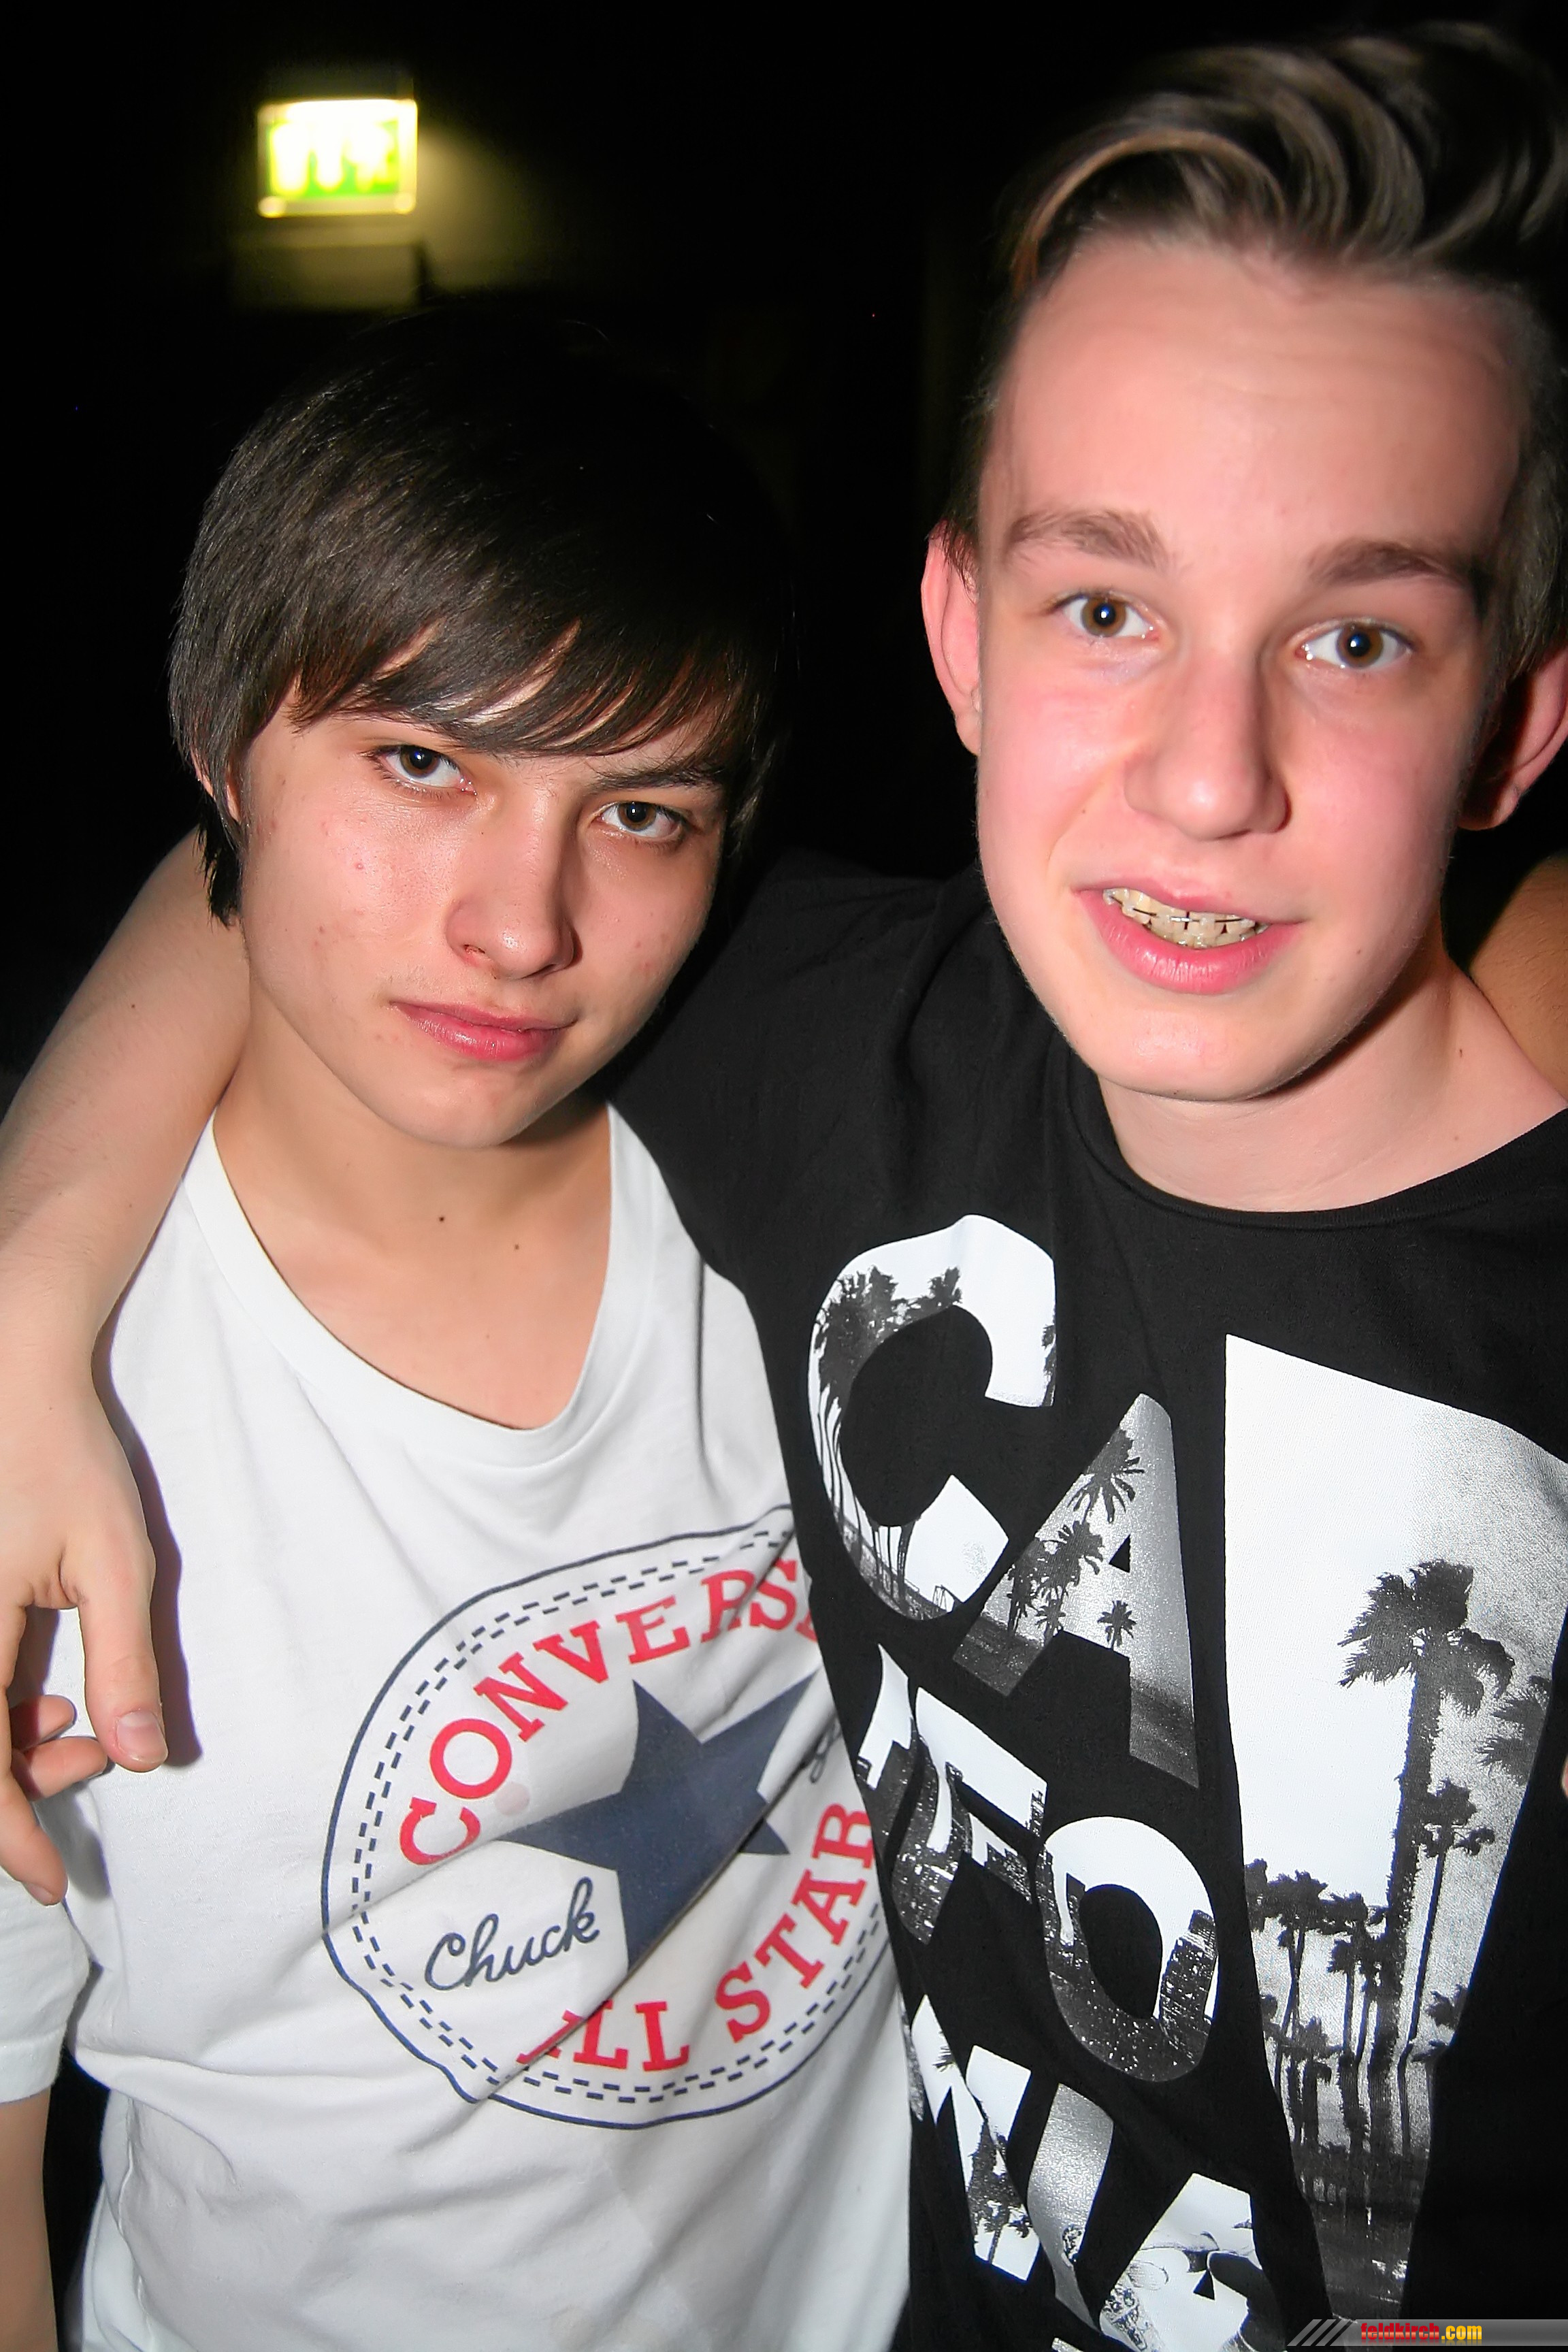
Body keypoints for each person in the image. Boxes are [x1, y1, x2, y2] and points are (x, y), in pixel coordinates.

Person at [4, 21, 1567, 2343]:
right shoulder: (824, 1055)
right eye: (1108, 606)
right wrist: (31, 1291)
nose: (1207, 776)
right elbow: (307, 853)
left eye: (1355, 639)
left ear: (1519, 716)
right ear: (962, 634)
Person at [0, 310, 910, 2352]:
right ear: (219, 745)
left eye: (642, 812)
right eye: (425, 765)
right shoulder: (48, 1439)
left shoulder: (837, 1223)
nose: (522, 927)